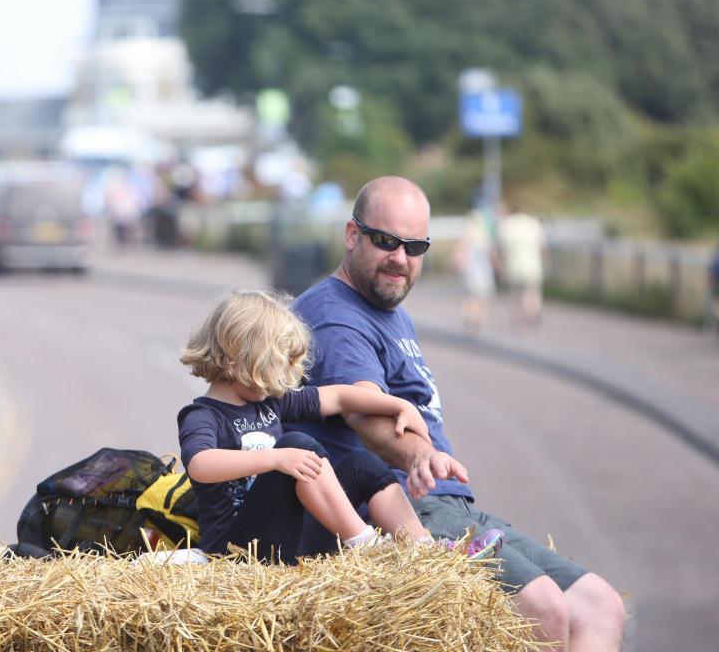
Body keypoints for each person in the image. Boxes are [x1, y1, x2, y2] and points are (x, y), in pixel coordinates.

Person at [289, 176, 625, 649]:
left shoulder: (388, 309)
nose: (400, 259)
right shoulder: (334, 315)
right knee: (541, 607)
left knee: (598, 605)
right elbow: (366, 410)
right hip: (402, 509)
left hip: (449, 503)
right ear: (352, 235)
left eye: (415, 246)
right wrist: (418, 455)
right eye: (385, 241)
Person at [176, 289, 502, 563]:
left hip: (294, 539)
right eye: (270, 368)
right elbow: (201, 465)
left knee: (362, 464)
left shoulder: (269, 402)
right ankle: (368, 548)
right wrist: (276, 459)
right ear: (236, 359)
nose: (277, 381)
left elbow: (340, 398)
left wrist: (399, 405)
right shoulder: (203, 415)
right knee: (296, 444)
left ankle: (426, 554)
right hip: (242, 553)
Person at [498, 202, 548, 325]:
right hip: (532, 263)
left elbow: (502, 248)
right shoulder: (532, 223)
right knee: (533, 290)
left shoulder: (507, 225)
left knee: (515, 293)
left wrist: (500, 264)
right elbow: (541, 247)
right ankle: (532, 312)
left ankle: (517, 316)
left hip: (513, 264)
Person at [453, 205, 496, 333]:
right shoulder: (484, 236)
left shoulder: (466, 234)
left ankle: (469, 317)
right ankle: (479, 321)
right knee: (482, 298)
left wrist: (458, 264)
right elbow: (491, 253)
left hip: (469, 271)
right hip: (483, 272)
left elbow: (459, 252)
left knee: (469, 297)